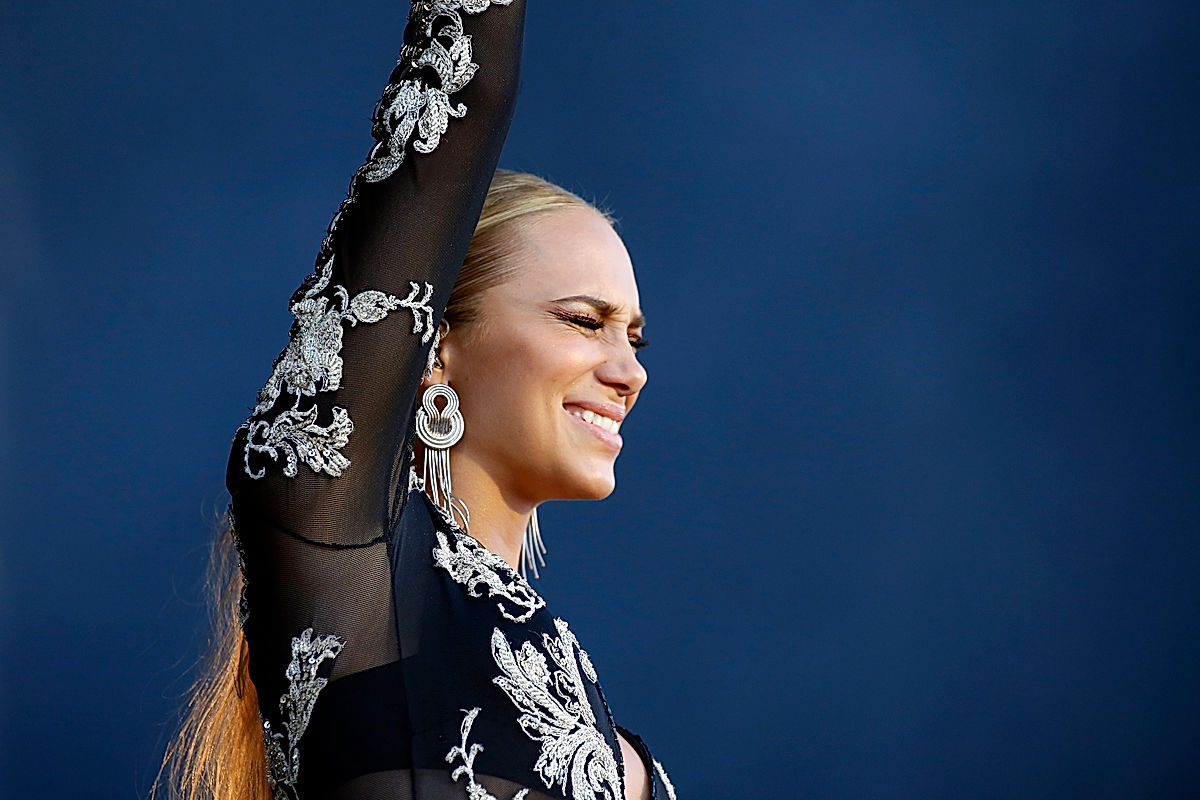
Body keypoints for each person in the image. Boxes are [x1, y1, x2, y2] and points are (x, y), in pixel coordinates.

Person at [158, 2, 677, 799]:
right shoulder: (349, 557)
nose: (628, 371)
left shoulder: (612, 728)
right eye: (584, 321)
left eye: (633, 338)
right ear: (431, 343)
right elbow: (462, 96)